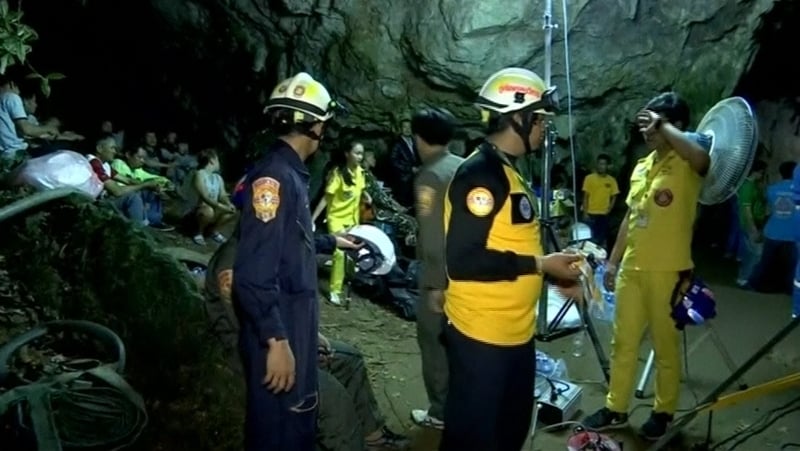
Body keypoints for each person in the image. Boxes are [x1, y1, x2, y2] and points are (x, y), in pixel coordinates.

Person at [439, 67, 583, 451]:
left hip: (514, 335)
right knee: (472, 439)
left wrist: (553, 271)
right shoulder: (482, 175)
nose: (543, 129)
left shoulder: (507, 171)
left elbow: (513, 244)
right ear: (518, 117)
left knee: (509, 430)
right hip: (481, 336)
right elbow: (464, 260)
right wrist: (540, 265)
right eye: (540, 120)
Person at [582, 92, 711, 441]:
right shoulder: (642, 165)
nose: (647, 132)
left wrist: (665, 126)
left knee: (665, 346)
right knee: (623, 342)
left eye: (653, 124)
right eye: (647, 124)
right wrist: (612, 262)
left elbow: (702, 158)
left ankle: (663, 412)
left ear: (675, 124)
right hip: (633, 270)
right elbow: (631, 216)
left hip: (669, 271)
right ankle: (615, 408)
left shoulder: (687, 163)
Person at [206, 236, 411, 451]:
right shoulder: (236, 262)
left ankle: (374, 437)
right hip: (242, 355)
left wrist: (334, 242)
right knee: (331, 396)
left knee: (349, 359)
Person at [232, 71, 341, 451]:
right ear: (316, 127)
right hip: (277, 331)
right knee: (280, 431)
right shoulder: (275, 179)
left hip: (292, 323)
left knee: (296, 424)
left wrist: (305, 330)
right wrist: (276, 339)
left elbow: (289, 249)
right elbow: (254, 273)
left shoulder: (289, 174)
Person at [407, 107, 462, 430]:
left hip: (442, 276)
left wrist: (433, 285)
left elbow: (431, 236)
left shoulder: (430, 175)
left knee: (433, 341)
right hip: (467, 273)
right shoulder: (463, 166)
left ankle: (441, 411)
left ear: (418, 138)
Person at [312, 142, 372, 305]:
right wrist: (313, 218)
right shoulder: (337, 174)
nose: (360, 157)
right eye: (357, 153)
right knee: (339, 251)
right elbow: (327, 198)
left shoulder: (361, 173)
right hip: (336, 218)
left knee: (350, 253)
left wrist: (365, 196)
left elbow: (359, 190)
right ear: (347, 154)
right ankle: (334, 290)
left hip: (352, 219)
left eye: (362, 154)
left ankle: (346, 280)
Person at [749, 161, 798, 293]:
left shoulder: (772, 189)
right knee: (792, 265)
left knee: (766, 262)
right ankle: (789, 289)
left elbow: (768, 208)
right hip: (792, 234)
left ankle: (757, 285)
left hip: (773, 231)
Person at [178, 148, 237, 245]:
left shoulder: (218, 178)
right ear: (212, 160)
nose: (219, 162)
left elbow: (222, 195)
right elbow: (205, 197)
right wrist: (222, 207)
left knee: (231, 211)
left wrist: (228, 204)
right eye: (217, 159)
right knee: (208, 210)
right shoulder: (199, 174)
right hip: (195, 212)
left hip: (212, 208)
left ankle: (212, 231)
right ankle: (198, 232)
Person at [736, 159, 767, 287]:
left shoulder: (753, 185)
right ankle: (745, 278)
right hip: (750, 224)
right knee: (756, 253)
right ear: (756, 172)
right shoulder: (747, 187)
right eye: (762, 173)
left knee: (751, 253)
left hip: (754, 222)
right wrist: (753, 229)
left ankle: (745, 277)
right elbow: (746, 210)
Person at [581, 153, 620, 246]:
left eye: (603, 164)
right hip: (591, 213)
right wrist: (585, 212)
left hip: (603, 214)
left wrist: (609, 209)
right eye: (599, 164)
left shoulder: (611, 180)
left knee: (601, 238)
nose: (601, 166)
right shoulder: (589, 178)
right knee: (589, 239)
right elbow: (586, 196)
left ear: (607, 166)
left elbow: (614, 196)